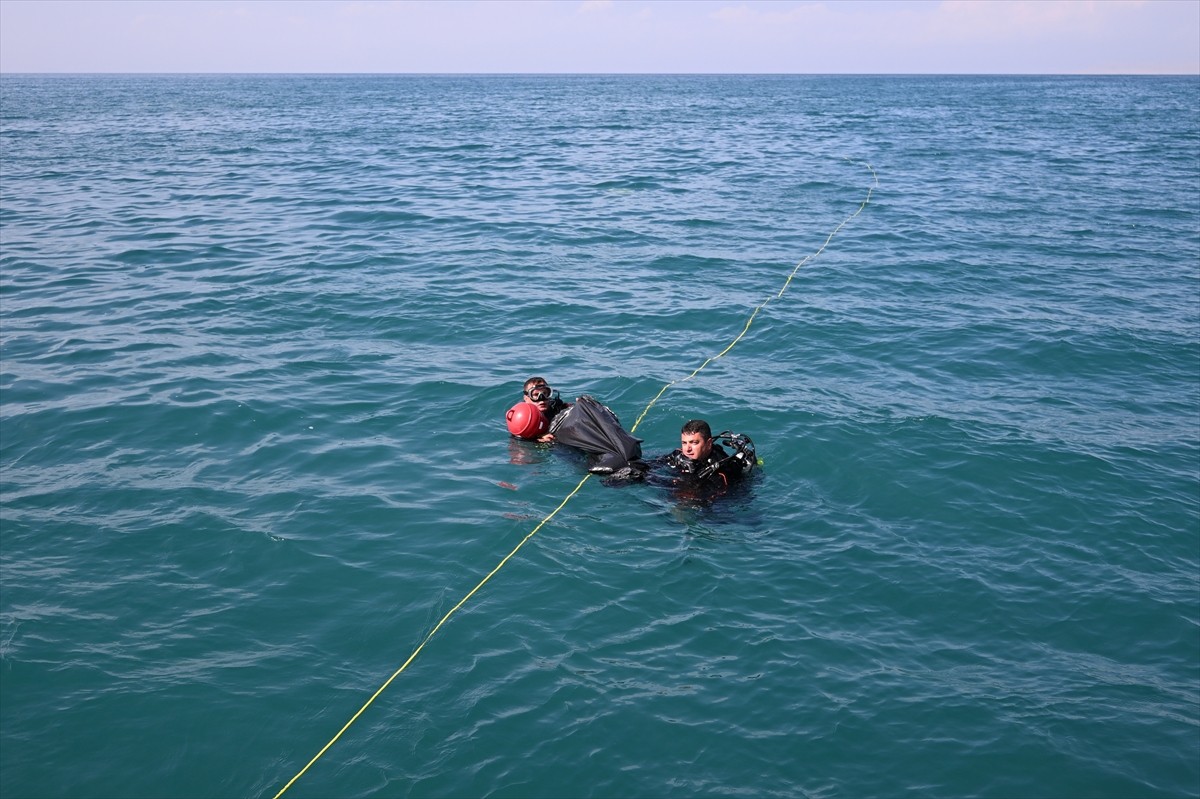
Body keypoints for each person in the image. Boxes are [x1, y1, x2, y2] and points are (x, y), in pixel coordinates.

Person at [648, 419, 755, 494]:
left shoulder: (720, 471)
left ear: (708, 443)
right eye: (684, 443)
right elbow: (655, 464)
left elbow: (703, 496)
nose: (687, 449)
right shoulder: (680, 454)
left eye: (694, 443)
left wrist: (658, 481)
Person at [519, 376, 571, 442]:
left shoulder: (556, 407)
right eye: (536, 394)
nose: (542, 399)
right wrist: (537, 440)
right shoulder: (522, 417)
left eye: (545, 393)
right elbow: (517, 440)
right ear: (526, 398)